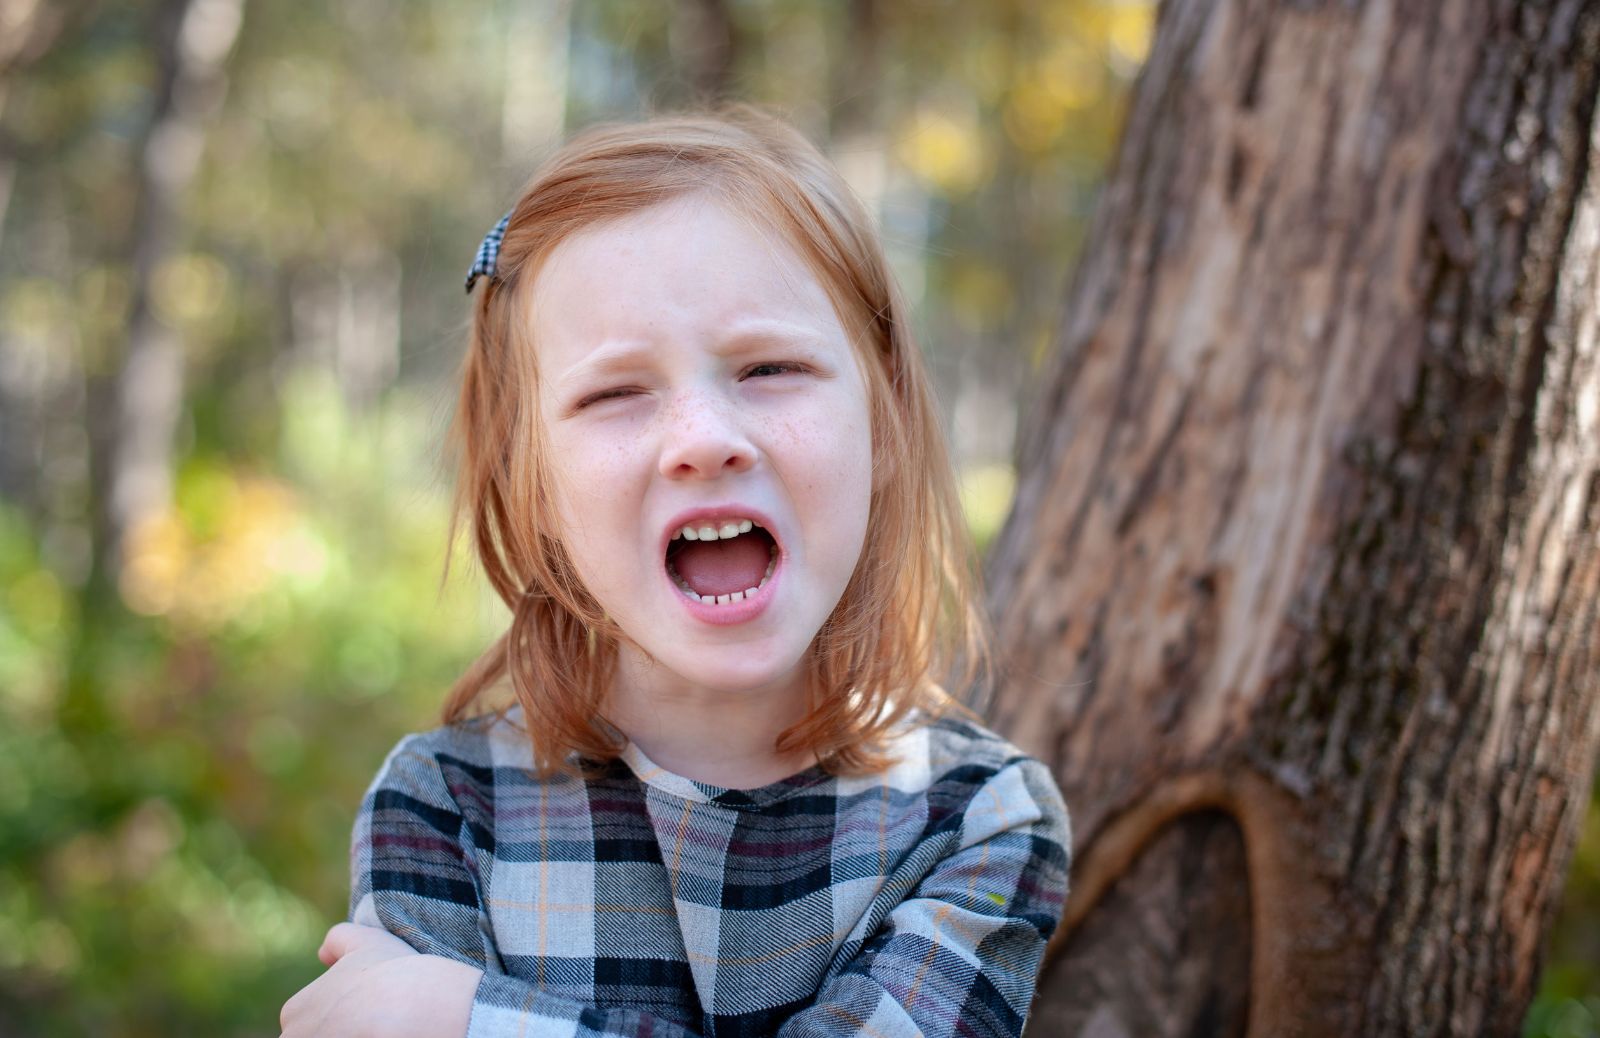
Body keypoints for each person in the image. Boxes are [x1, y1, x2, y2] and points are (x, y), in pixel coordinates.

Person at [279, 105, 1071, 1038]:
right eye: (616, 392)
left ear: (883, 424)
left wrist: (466, 1019)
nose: (703, 440)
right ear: (528, 481)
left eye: (769, 368)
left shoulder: (976, 821)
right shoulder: (444, 806)